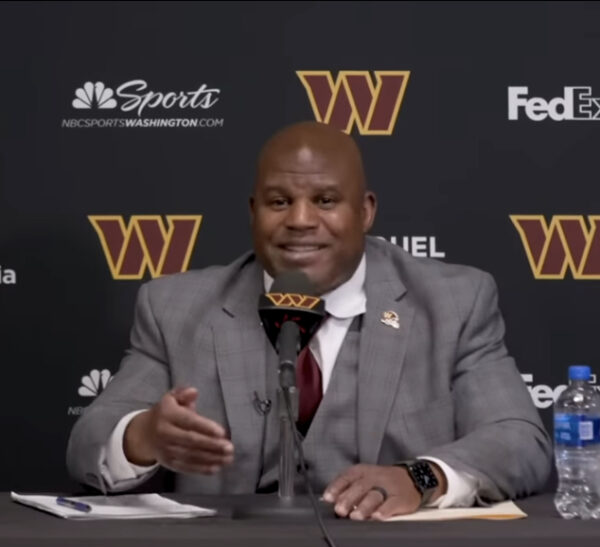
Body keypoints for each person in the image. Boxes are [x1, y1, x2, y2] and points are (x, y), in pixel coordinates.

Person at [67, 121, 552, 520]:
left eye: (325, 201)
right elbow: (88, 442)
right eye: (279, 202)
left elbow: (518, 440)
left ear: (365, 212)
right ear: (253, 211)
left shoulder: (453, 303)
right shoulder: (175, 307)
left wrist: (420, 477)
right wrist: (144, 437)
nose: (300, 220)